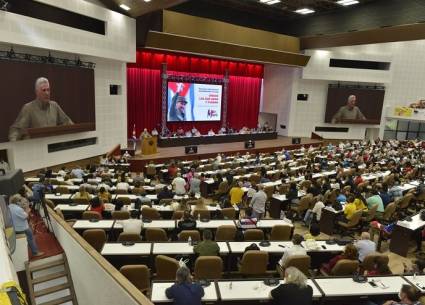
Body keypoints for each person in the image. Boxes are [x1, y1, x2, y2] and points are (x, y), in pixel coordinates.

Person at [9, 77, 73, 141]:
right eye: (44, 90)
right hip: (35, 147)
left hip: (52, 147)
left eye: (48, 90)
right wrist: (15, 145)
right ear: (37, 92)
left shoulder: (54, 106)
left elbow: (67, 122)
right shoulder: (28, 108)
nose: (47, 93)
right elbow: (16, 130)